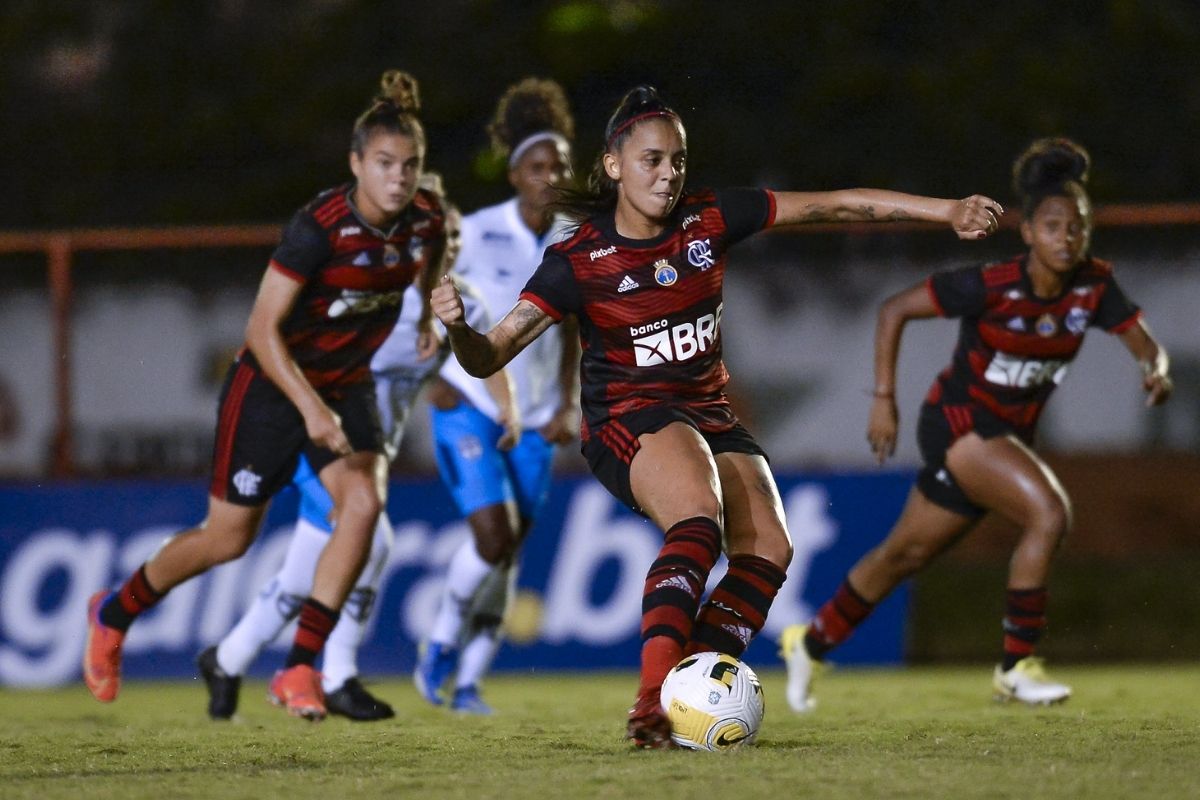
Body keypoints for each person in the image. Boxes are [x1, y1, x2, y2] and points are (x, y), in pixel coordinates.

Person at [429, 84, 1003, 747]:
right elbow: (490, 353)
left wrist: (948, 210)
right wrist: (459, 332)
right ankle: (652, 704)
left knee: (769, 549)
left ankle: (686, 694)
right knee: (699, 519)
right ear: (614, 165)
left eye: (677, 160)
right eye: (651, 160)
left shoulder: (708, 219)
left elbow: (834, 203)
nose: (668, 174)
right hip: (627, 420)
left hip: (708, 410)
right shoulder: (578, 260)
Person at [83, 69, 447, 722]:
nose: (399, 177)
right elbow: (259, 328)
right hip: (274, 387)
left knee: (363, 503)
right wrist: (310, 408)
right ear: (357, 164)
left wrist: (424, 317)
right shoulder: (319, 228)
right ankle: (114, 614)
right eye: (385, 164)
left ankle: (300, 668)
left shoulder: (424, 220)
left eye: (410, 165)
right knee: (227, 539)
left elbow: (435, 250)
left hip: (344, 384)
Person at [780, 137, 1173, 711]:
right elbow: (895, 309)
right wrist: (883, 399)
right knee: (1048, 513)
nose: (1066, 237)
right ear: (1030, 232)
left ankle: (809, 643)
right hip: (959, 424)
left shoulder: (1092, 286)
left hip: (1003, 440)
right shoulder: (991, 284)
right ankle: (1017, 667)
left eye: (1078, 227)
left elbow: (1145, 345)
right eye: (1054, 225)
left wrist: (1154, 369)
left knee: (903, 556)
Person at [196, 190, 511, 722]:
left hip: (367, 453)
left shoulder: (463, 303)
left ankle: (230, 658)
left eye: (456, 236)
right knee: (371, 541)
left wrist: (507, 409)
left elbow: (481, 359)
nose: (450, 245)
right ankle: (334, 673)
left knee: (308, 570)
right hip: (327, 440)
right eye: (443, 235)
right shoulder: (387, 298)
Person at [413, 77, 580, 715]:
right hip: (472, 407)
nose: (551, 176)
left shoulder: (577, 238)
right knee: (492, 537)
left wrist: (566, 405)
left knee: (508, 555)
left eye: (560, 165)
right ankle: (439, 645)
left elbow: (574, 334)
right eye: (538, 166)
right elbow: (452, 306)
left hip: (535, 421)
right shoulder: (478, 233)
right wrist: (433, 330)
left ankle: (471, 683)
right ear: (515, 174)